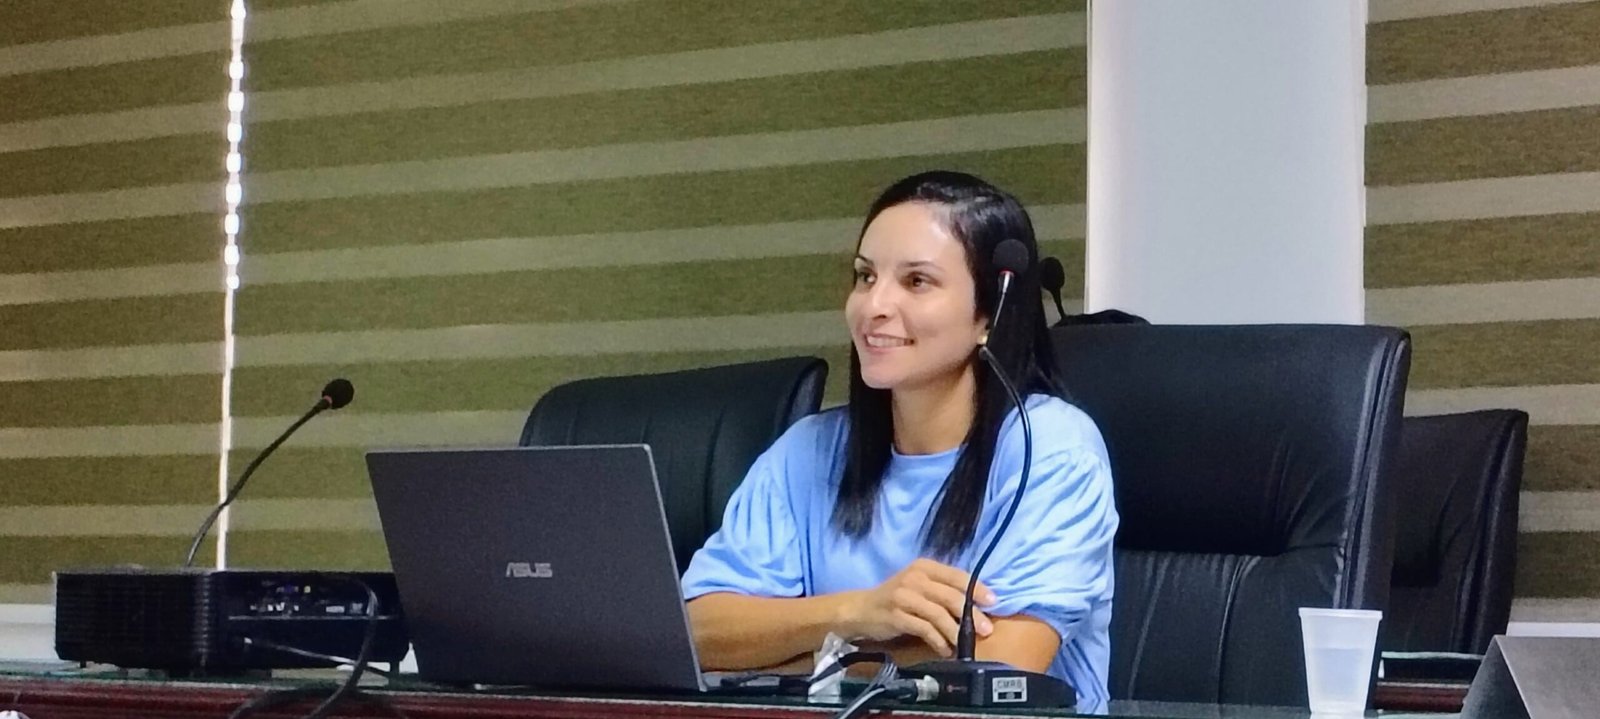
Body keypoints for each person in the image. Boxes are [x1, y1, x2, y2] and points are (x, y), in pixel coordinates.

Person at [680, 171, 1119, 710]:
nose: (874, 306)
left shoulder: (1050, 449)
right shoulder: (808, 451)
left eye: (916, 281)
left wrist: (796, 659)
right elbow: (696, 634)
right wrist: (856, 612)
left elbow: (999, 669)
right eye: (865, 276)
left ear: (990, 314)